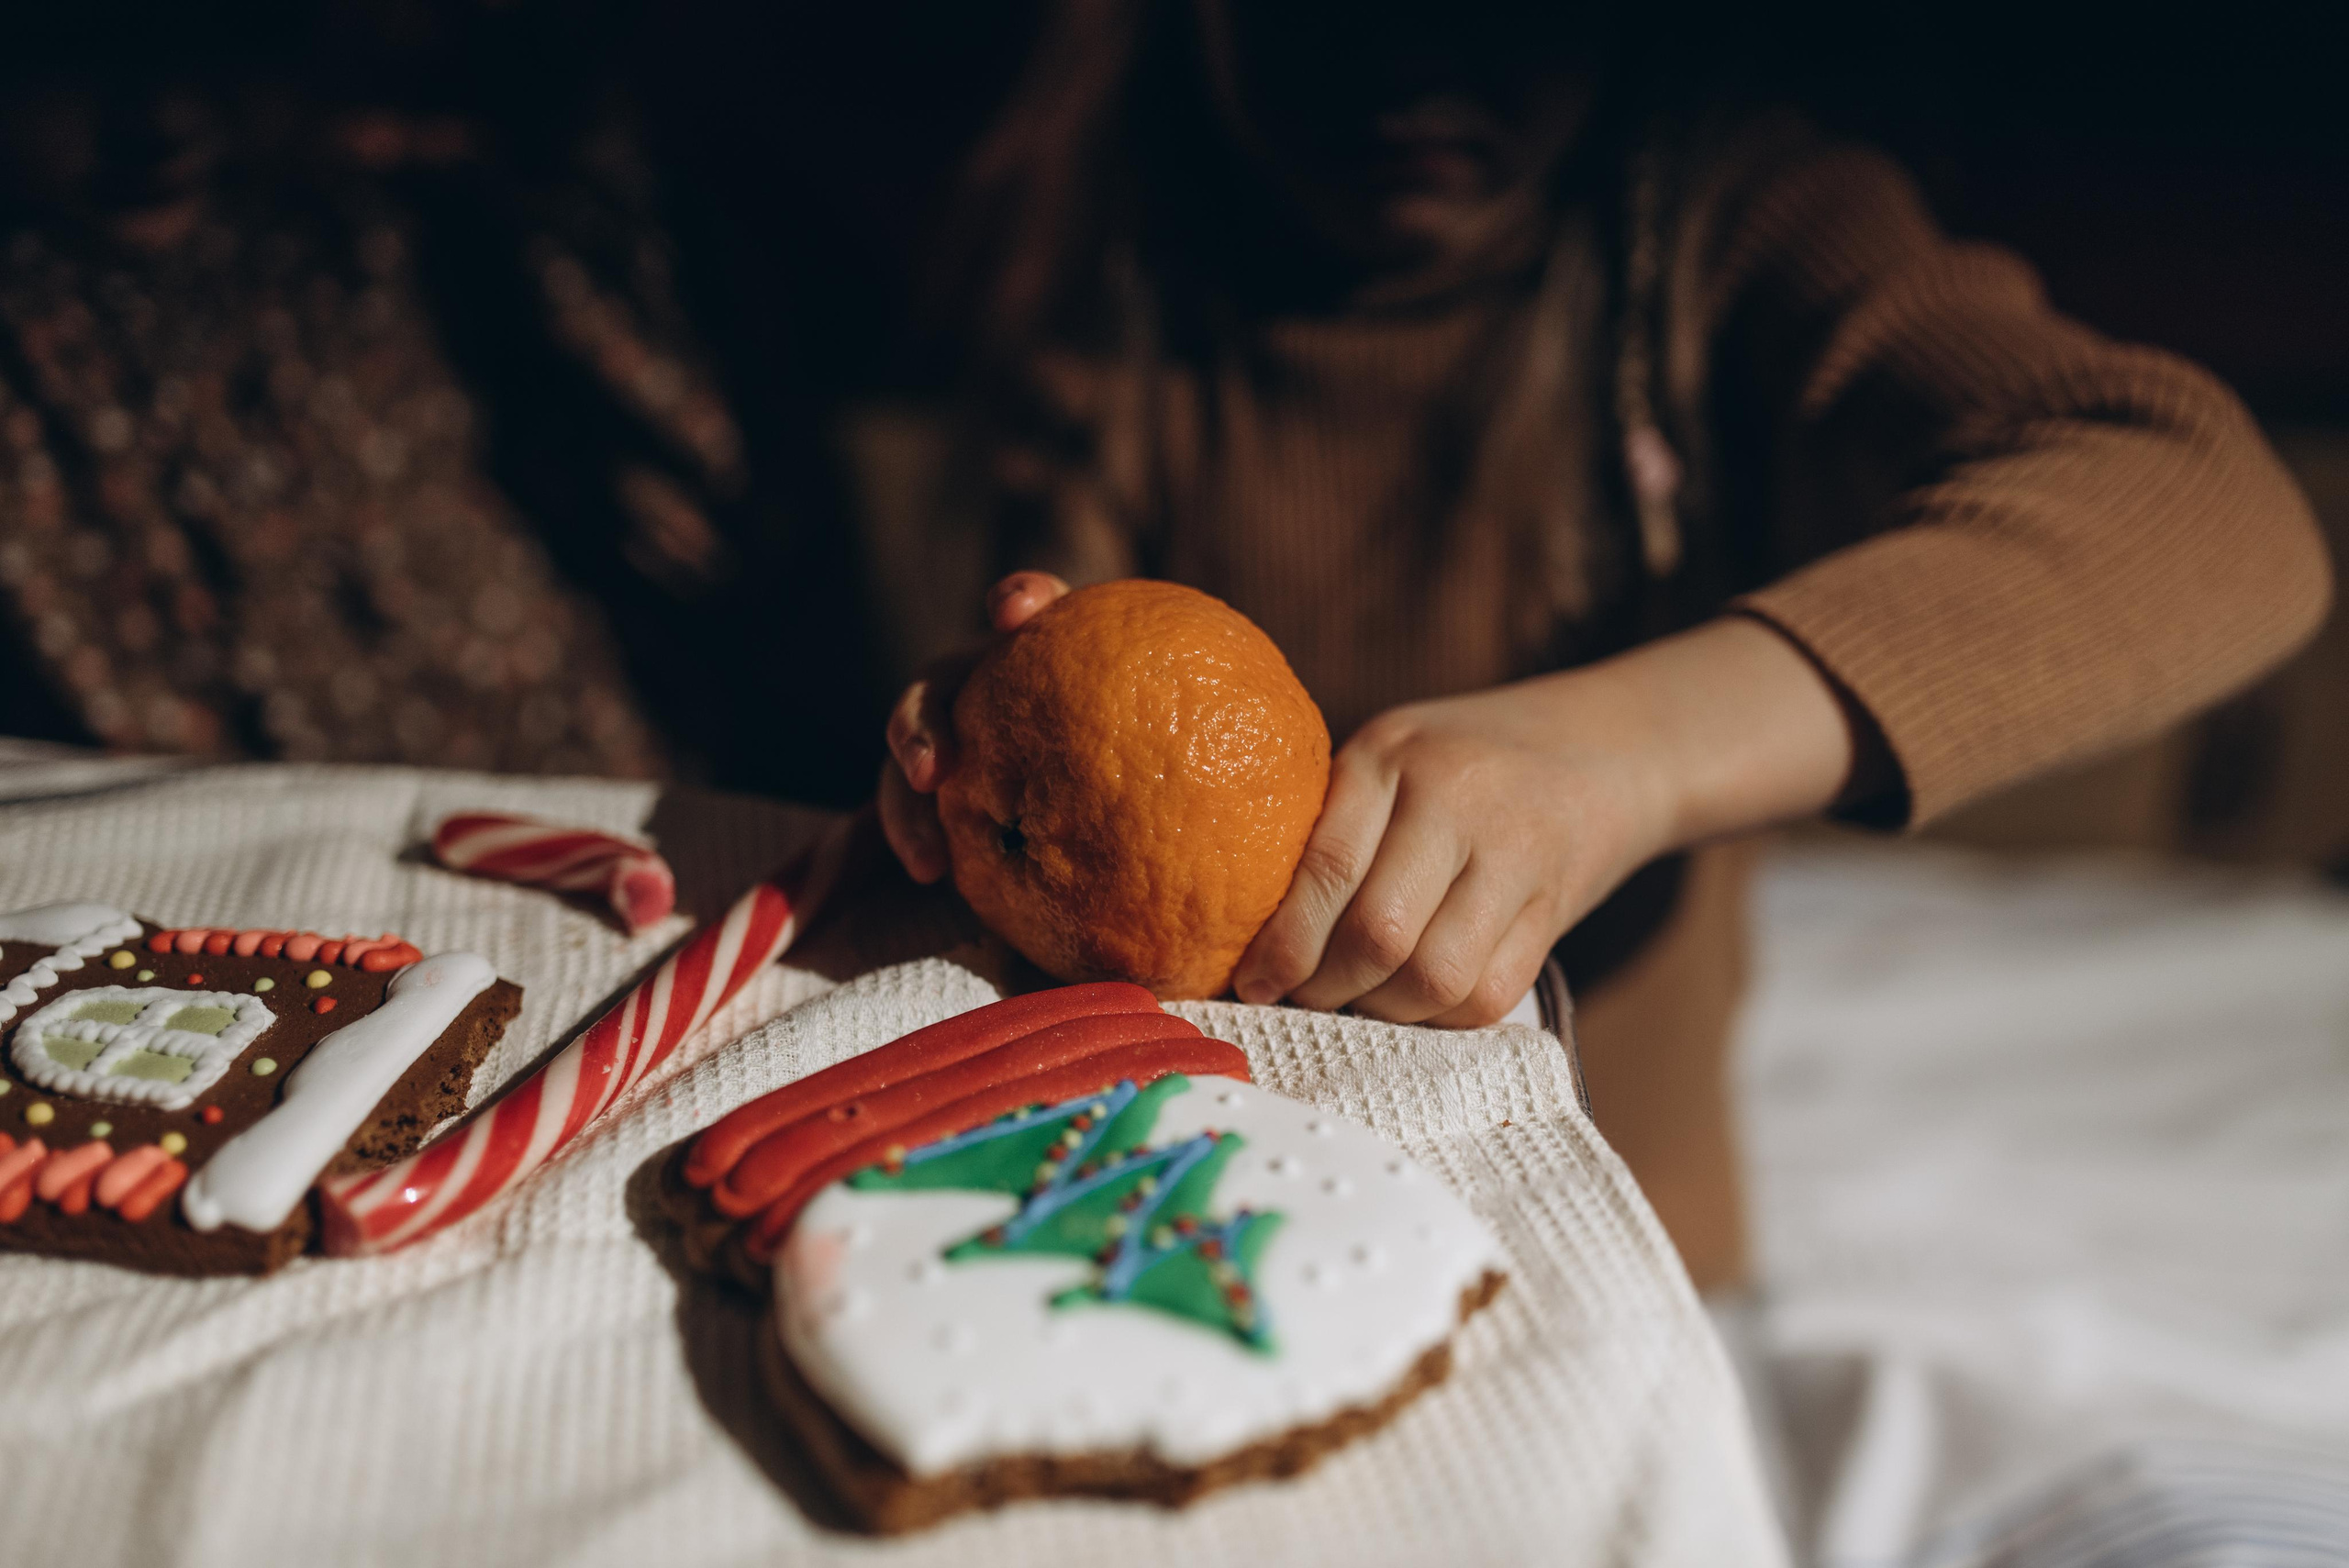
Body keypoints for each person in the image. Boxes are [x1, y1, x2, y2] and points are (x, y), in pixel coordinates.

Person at [869, 0, 2334, 1289]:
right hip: (1181, 1228)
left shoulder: (1727, 222)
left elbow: (2209, 506)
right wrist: (983, 736)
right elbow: (1096, 740)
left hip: (1605, 1244)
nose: (1418, 51)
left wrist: (1629, 752)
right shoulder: (1106, 239)